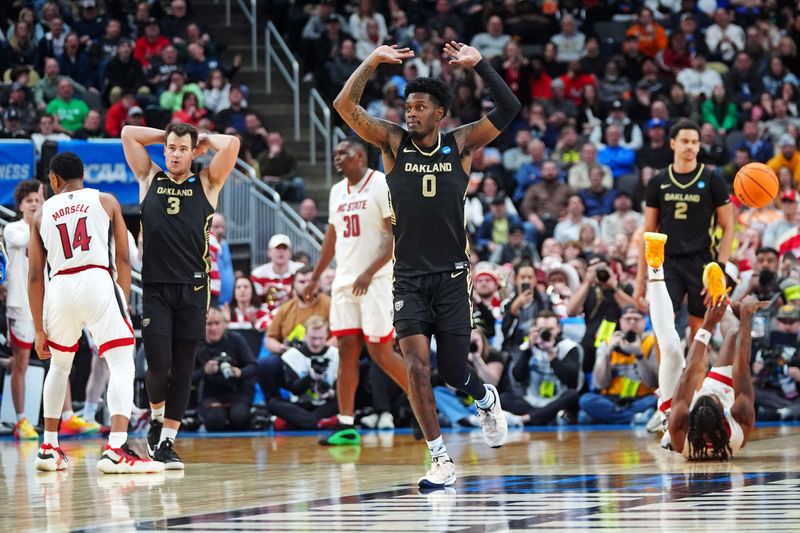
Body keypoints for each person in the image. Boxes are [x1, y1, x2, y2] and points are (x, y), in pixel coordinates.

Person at [332, 41, 521, 488]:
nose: (410, 113)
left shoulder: (462, 143)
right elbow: (345, 106)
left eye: (419, 107)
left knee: (454, 372)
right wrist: (372, 62)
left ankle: (485, 397)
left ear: (440, 113)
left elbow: (510, 107)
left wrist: (481, 66)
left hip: (453, 278)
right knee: (416, 365)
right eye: (407, 106)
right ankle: (440, 459)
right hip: (409, 277)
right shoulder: (393, 142)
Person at [29, 152, 161, 474]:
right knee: (120, 362)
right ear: (82, 177)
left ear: (54, 180)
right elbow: (125, 259)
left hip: (59, 285)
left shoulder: (41, 213)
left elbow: (34, 276)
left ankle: (49, 447)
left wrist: (38, 329)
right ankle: (116, 448)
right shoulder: (105, 201)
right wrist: (123, 300)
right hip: (96, 278)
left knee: (59, 366)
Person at [121, 123, 239, 468]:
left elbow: (230, 143)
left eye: (181, 149)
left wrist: (202, 141)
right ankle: (156, 417)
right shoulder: (149, 177)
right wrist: (169, 135)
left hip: (194, 287)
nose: (174, 154)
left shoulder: (207, 182)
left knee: (184, 367)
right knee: (158, 365)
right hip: (156, 286)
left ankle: (168, 441)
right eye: (170, 148)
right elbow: (128, 132)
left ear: (192, 153)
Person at [306, 137, 411, 446]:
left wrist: (369, 271)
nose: (337, 158)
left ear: (361, 157)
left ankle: (423, 405)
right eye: (335, 153)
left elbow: (395, 235)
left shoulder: (380, 184)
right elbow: (332, 235)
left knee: (380, 351)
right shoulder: (337, 191)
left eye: (343, 153)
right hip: (345, 281)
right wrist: (315, 277)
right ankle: (346, 424)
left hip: (376, 280)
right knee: (347, 352)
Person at [643, 232, 760, 460]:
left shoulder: (679, 430)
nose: (705, 393)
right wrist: (745, 318)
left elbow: (690, 372)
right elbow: (741, 366)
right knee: (734, 335)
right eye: (713, 398)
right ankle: (720, 300)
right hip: (709, 412)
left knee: (671, 348)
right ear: (725, 413)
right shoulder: (739, 425)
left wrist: (707, 326)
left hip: (678, 406)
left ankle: (654, 264)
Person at [634, 119, 734, 339]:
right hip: (668, 261)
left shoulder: (712, 179)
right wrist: (640, 281)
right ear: (672, 144)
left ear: (699, 146)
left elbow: (728, 227)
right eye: (685, 141)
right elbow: (648, 233)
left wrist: (721, 269)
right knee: (663, 324)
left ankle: (697, 374)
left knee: (700, 328)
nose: (690, 146)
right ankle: (666, 375)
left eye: (695, 142)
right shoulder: (658, 181)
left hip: (703, 261)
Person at [193, 307, 258, 432]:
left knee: (240, 418)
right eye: (209, 324)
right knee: (215, 421)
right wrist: (204, 371)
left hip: (237, 392)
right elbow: (186, 379)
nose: (213, 328)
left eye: (217, 323)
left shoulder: (236, 339)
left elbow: (254, 367)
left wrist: (239, 372)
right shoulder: (197, 346)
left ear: (224, 325)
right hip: (210, 395)